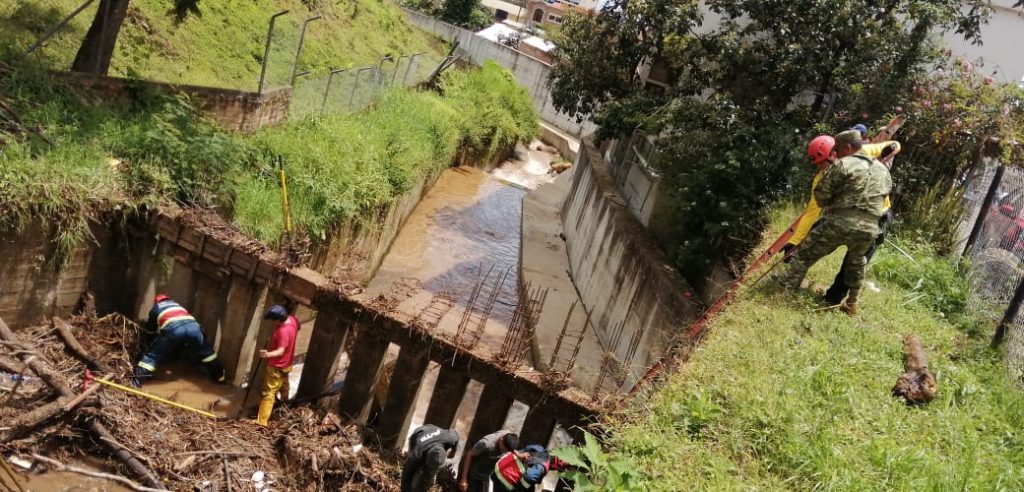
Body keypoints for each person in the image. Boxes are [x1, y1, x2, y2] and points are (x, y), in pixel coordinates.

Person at [774, 129, 892, 314]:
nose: (836, 154)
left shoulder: (843, 164)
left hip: (840, 222)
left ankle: (781, 292)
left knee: (805, 254)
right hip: (870, 228)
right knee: (857, 263)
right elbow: (882, 197)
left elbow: (821, 199)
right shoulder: (883, 170)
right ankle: (852, 303)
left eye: (837, 150)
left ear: (847, 147)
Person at [132, 294, 225, 387]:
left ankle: (135, 384)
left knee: (151, 357)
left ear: (157, 302)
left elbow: (150, 330)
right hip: (195, 329)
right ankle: (220, 380)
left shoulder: (156, 308)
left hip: (174, 330)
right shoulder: (178, 306)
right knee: (209, 355)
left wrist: (151, 344)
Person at [253, 304, 300, 426]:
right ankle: (285, 408)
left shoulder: (282, 331)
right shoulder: (293, 320)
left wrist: (267, 354)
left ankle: (261, 421)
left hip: (276, 367)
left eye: (273, 320)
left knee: (268, 392)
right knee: (284, 386)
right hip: (287, 364)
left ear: (278, 320)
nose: (272, 323)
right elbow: (298, 328)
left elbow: (281, 351)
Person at [402, 424, 460, 492]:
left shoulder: (450, 438)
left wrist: (454, 450)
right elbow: (406, 476)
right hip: (419, 434)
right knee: (415, 472)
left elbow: (456, 433)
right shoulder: (417, 454)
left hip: (435, 433)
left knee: (429, 478)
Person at [491, 444, 568, 492]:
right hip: (503, 480)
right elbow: (528, 478)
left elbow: (526, 448)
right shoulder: (543, 466)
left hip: (500, 465)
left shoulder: (540, 448)